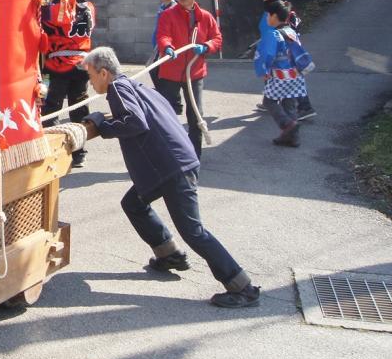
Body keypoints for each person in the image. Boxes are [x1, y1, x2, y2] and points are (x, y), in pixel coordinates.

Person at [82, 46, 261, 309]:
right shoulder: (136, 86)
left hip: (170, 167)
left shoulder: (118, 90)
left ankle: (242, 287)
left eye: (91, 76)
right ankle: (169, 255)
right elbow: (140, 117)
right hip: (171, 163)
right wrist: (104, 119)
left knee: (194, 231)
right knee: (133, 203)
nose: (90, 82)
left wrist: (102, 125)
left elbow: (135, 122)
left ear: (104, 73)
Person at [154, 0, 221, 158]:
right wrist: (167, 47)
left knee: (196, 116)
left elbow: (217, 38)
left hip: (195, 73)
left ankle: (193, 157)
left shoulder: (205, 17)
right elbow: (163, 35)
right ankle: (168, 155)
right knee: (166, 116)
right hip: (170, 72)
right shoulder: (167, 15)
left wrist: (206, 47)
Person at [40, 0, 95, 167]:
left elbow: (41, 15)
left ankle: (52, 151)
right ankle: (80, 153)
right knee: (79, 109)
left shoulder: (59, 10)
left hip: (58, 65)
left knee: (51, 109)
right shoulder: (89, 7)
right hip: (82, 65)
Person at [260, 0, 315, 120]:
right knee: (289, 81)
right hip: (284, 54)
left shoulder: (276, 7)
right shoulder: (278, 6)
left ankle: (303, 108)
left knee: (289, 79)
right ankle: (277, 104)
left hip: (283, 55)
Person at [255, 1, 306, 147]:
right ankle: (292, 137)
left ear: (274, 16)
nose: (266, 19)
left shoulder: (273, 34)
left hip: (280, 75)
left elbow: (267, 54)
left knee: (269, 101)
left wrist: (263, 70)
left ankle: (288, 124)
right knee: (289, 103)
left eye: (268, 15)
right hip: (295, 75)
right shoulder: (292, 31)